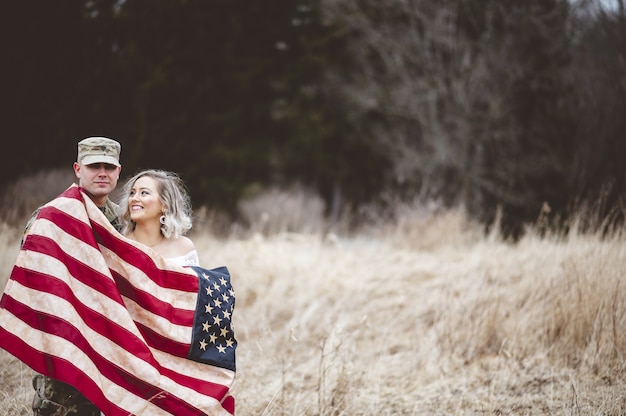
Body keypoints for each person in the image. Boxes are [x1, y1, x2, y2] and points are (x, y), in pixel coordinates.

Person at [23, 136, 122, 416]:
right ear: (78, 169)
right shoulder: (52, 217)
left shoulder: (123, 222)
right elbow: (35, 279)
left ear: (118, 172)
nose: (102, 172)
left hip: (109, 342)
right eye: (94, 166)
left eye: (108, 166)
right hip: (65, 339)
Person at [117, 169, 199, 267]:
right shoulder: (120, 245)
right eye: (132, 193)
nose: (134, 198)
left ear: (165, 205)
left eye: (144, 193)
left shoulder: (184, 247)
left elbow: (194, 282)